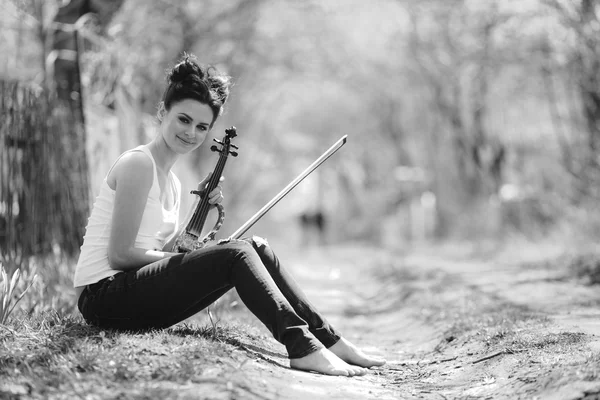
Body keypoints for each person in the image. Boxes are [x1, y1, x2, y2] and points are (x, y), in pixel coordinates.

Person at [73, 54, 386, 377]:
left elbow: (163, 254)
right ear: (163, 112)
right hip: (103, 299)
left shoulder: (175, 183)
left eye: (201, 127)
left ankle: (329, 340)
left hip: (130, 294)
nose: (191, 133)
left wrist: (201, 213)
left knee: (256, 247)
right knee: (235, 253)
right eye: (183, 120)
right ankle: (300, 346)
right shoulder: (138, 165)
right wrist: (207, 257)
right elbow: (122, 254)